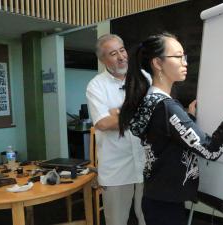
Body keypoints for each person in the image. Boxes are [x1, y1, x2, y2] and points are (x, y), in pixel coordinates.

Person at [119, 32, 223, 225]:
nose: (185, 62)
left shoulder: (150, 99)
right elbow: (211, 149)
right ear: (157, 63)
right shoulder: (166, 107)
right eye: (177, 56)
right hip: (165, 206)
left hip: (158, 197)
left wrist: (188, 117)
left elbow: (166, 137)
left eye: (184, 56)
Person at [86, 34, 145, 225]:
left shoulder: (143, 78)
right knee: (116, 221)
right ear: (103, 60)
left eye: (122, 50)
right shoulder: (96, 86)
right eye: (113, 53)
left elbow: (157, 112)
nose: (121, 57)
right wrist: (140, 113)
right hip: (117, 169)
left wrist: (119, 114)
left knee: (149, 218)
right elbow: (102, 123)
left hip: (146, 164)